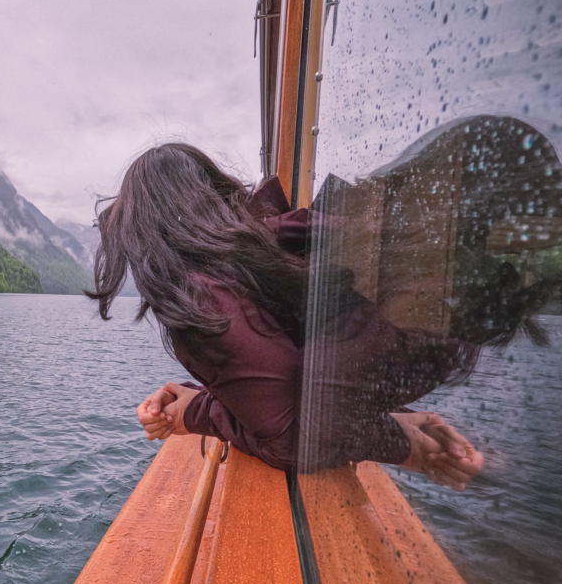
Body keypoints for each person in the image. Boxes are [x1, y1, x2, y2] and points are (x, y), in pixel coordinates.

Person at [85, 143, 484, 490]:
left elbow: (292, 443)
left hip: (446, 317)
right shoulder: (268, 245)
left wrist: (194, 413)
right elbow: (298, 371)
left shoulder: (201, 297)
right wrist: (201, 398)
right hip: (463, 315)